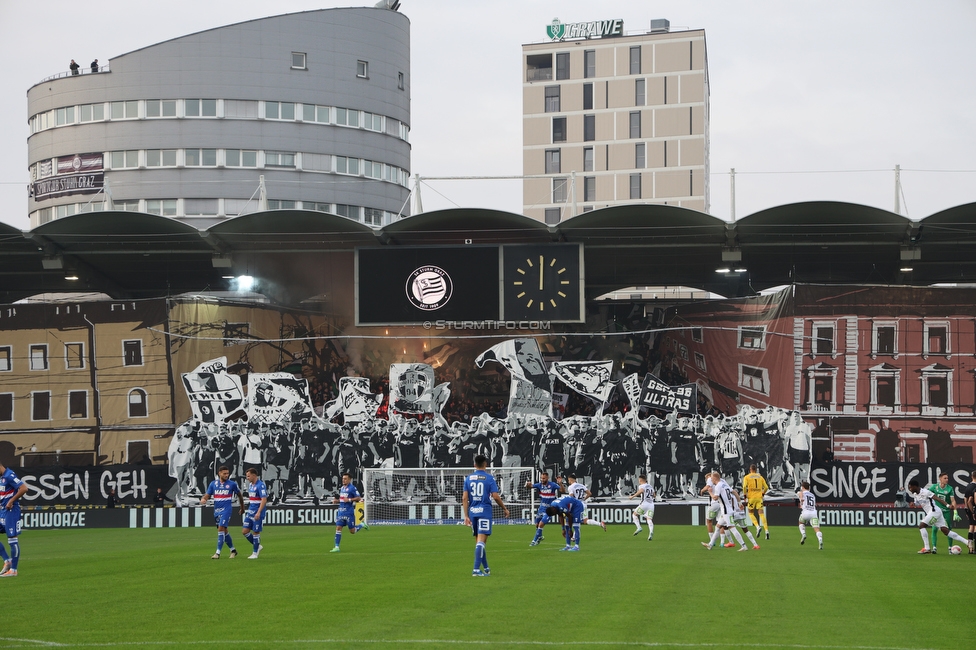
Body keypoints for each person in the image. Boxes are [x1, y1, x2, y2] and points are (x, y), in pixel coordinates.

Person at [463, 455, 509, 577]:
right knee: (481, 542)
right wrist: (504, 508)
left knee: (479, 542)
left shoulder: (468, 478)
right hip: (484, 511)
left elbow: (464, 498)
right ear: (485, 464)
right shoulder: (489, 478)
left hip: (473, 512)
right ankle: (476, 570)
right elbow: (495, 496)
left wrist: (466, 515)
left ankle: (486, 568)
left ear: (474, 465)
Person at [907, 480, 968, 554]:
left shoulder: (926, 492)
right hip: (935, 513)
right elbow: (917, 503)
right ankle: (967, 542)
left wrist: (948, 505)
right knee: (945, 531)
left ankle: (927, 548)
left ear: (915, 486)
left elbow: (938, 499)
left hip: (934, 512)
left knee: (921, 526)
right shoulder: (915, 495)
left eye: (910, 487)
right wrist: (914, 504)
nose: (910, 489)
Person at [200, 466, 244, 559]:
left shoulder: (232, 484)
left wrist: (242, 507)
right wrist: (204, 499)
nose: (226, 475)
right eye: (224, 473)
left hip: (227, 510)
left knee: (221, 529)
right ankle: (233, 550)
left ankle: (217, 553)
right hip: (216, 510)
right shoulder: (213, 484)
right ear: (219, 473)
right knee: (224, 531)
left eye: (227, 473)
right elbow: (208, 494)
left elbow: (240, 495)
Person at [701, 471, 747, 551]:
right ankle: (710, 544)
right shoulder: (724, 484)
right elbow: (735, 492)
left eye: (711, 478)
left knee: (732, 528)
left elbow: (715, 498)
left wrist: (710, 492)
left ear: (715, 478)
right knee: (718, 527)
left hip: (726, 511)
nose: (711, 480)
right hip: (726, 510)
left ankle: (743, 545)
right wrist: (740, 503)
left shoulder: (718, 486)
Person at [0, 462, 27, 577]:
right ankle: (7, 561)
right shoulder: (2, 478)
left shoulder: (9, 475)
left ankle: (14, 570)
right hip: (3, 511)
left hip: (12, 511)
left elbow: (24, 488)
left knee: (12, 539)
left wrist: (11, 501)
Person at [331, 472, 369, 552]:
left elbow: (358, 498)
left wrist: (349, 499)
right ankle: (337, 547)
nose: (343, 480)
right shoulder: (342, 488)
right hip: (341, 511)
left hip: (349, 512)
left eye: (345, 479)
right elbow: (342, 500)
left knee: (352, 531)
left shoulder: (352, 488)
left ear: (349, 480)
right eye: (343, 479)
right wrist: (336, 501)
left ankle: (361, 524)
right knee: (338, 528)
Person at [925, 472, 958, 554]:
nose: (947, 480)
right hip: (936, 512)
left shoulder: (949, 488)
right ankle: (934, 548)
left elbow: (953, 500)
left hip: (946, 511)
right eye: (945, 478)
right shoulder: (934, 487)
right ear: (940, 479)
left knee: (949, 529)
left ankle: (950, 548)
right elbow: (927, 494)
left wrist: (955, 511)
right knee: (934, 529)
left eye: (947, 478)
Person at [526, 470, 561, 546]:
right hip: (541, 508)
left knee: (541, 524)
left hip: (549, 509)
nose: (542, 480)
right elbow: (530, 487)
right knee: (537, 524)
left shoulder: (553, 485)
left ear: (547, 478)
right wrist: (527, 485)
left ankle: (534, 540)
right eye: (541, 478)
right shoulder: (539, 485)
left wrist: (560, 483)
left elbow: (562, 490)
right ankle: (540, 536)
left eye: (544, 478)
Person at [242, 468, 268, 559]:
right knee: (245, 531)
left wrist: (259, 512)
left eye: (248, 476)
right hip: (250, 511)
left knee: (256, 532)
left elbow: (264, 499)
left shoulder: (260, 485)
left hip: (257, 512)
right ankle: (258, 546)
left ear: (254, 475)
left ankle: (255, 553)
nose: (247, 478)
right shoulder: (250, 485)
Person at [742, 464, 770, 539]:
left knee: (751, 513)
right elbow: (766, 487)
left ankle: (757, 527)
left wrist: (745, 496)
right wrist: (763, 493)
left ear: (750, 469)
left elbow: (744, 487)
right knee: (761, 514)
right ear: (756, 469)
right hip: (759, 497)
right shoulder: (760, 477)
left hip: (751, 497)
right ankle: (766, 531)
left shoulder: (747, 477)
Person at [796, 480, 823, 550]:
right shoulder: (813, 495)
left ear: (802, 487)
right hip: (813, 513)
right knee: (817, 529)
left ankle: (803, 534)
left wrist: (801, 499)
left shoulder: (801, 492)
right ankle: (820, 540)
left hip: (805, 513)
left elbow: (801, 493)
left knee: (800, 522)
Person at [628, 474, 656, 541]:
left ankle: (639, 527)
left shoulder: (641, 486)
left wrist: (632, 496)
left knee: (634, 514)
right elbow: (654, 495)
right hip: (651, 505)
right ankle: (651, 532)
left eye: (639, 480)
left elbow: (641, 491)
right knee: (649, 519)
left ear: (640, 480)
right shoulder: (650, 486)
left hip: (644, 504)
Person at [965, 470, 976, 554]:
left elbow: (965, 498)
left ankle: (970, 547)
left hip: (969, 509)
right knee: (975, 527)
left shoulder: (968, 486)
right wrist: (973, 511)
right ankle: (974, 548)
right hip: (974, 509)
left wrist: (967, 509)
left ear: (972, 476)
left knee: (971, 527)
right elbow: (970, 500)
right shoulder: (975, 487)